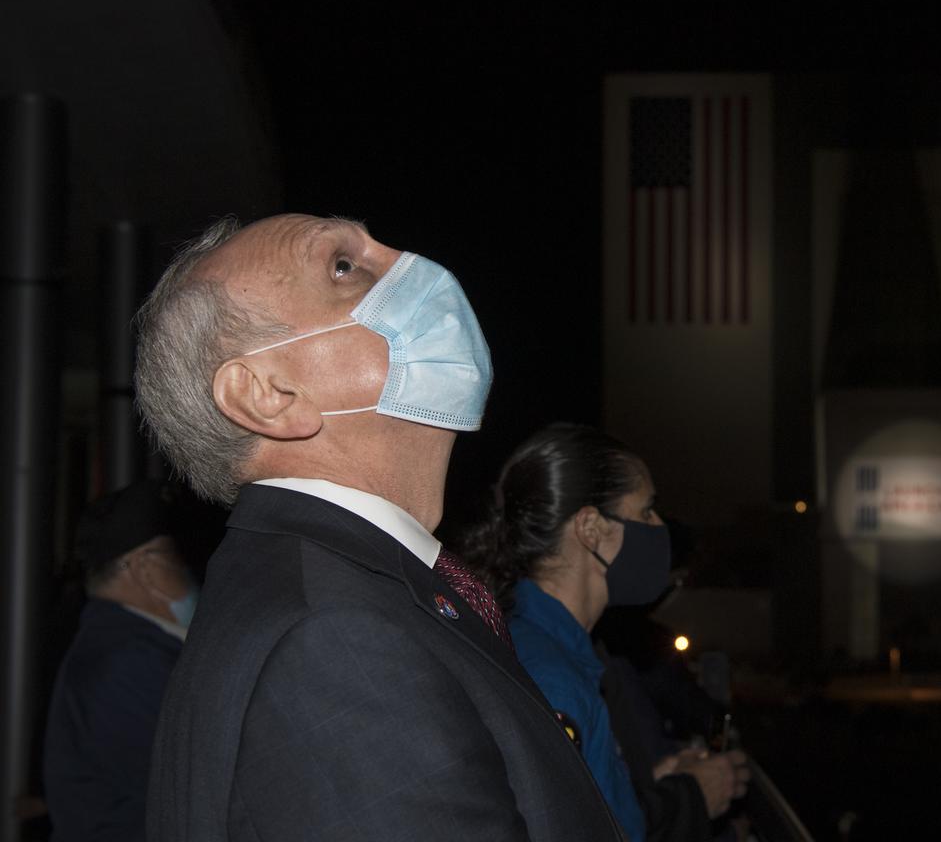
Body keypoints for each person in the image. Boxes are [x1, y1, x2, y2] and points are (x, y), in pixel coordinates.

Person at [133, 214, 621, 841]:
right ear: (269, 395)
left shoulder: (349, 591)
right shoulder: (332, 637)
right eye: (343, 267)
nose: (414, 267)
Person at [462, 422, 750, 841]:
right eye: (646, 511)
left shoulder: (552, 648)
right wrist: (690, 797)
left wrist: (643, 788)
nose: (658, 527)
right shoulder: (551, 677)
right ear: (591, 529)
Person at [43, 479, 196, 841]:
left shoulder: (122, 647)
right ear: (146, 568)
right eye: (178, 556)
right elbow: (192, 788)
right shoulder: (128, 660)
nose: (189, 570)